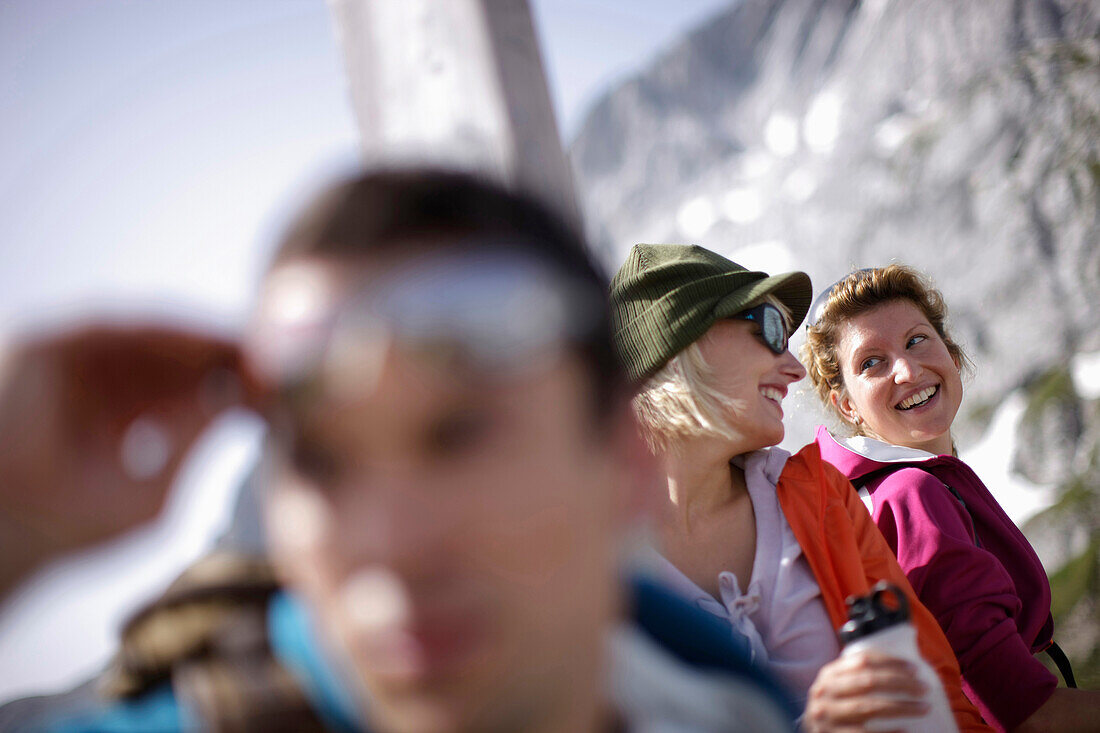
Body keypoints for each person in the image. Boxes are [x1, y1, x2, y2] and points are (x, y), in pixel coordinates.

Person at [0, 170, 797, 732]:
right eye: (322, 459)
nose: (389, 542)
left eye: (459, 435)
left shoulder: (734, 707)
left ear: (621, 463)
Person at [610, 244, 990, 732]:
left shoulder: (822, 498)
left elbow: (941, 701)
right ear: (682, 346)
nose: (794, 370)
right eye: (769, 329)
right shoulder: (570, 572)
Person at [802, 264, 1100, 732]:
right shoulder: (912, 496)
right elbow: (1024, 714)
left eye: (917, 340)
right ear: (846, 406)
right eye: (871, 362)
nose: (906, 369)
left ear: (951, 353)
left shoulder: (876, 495)